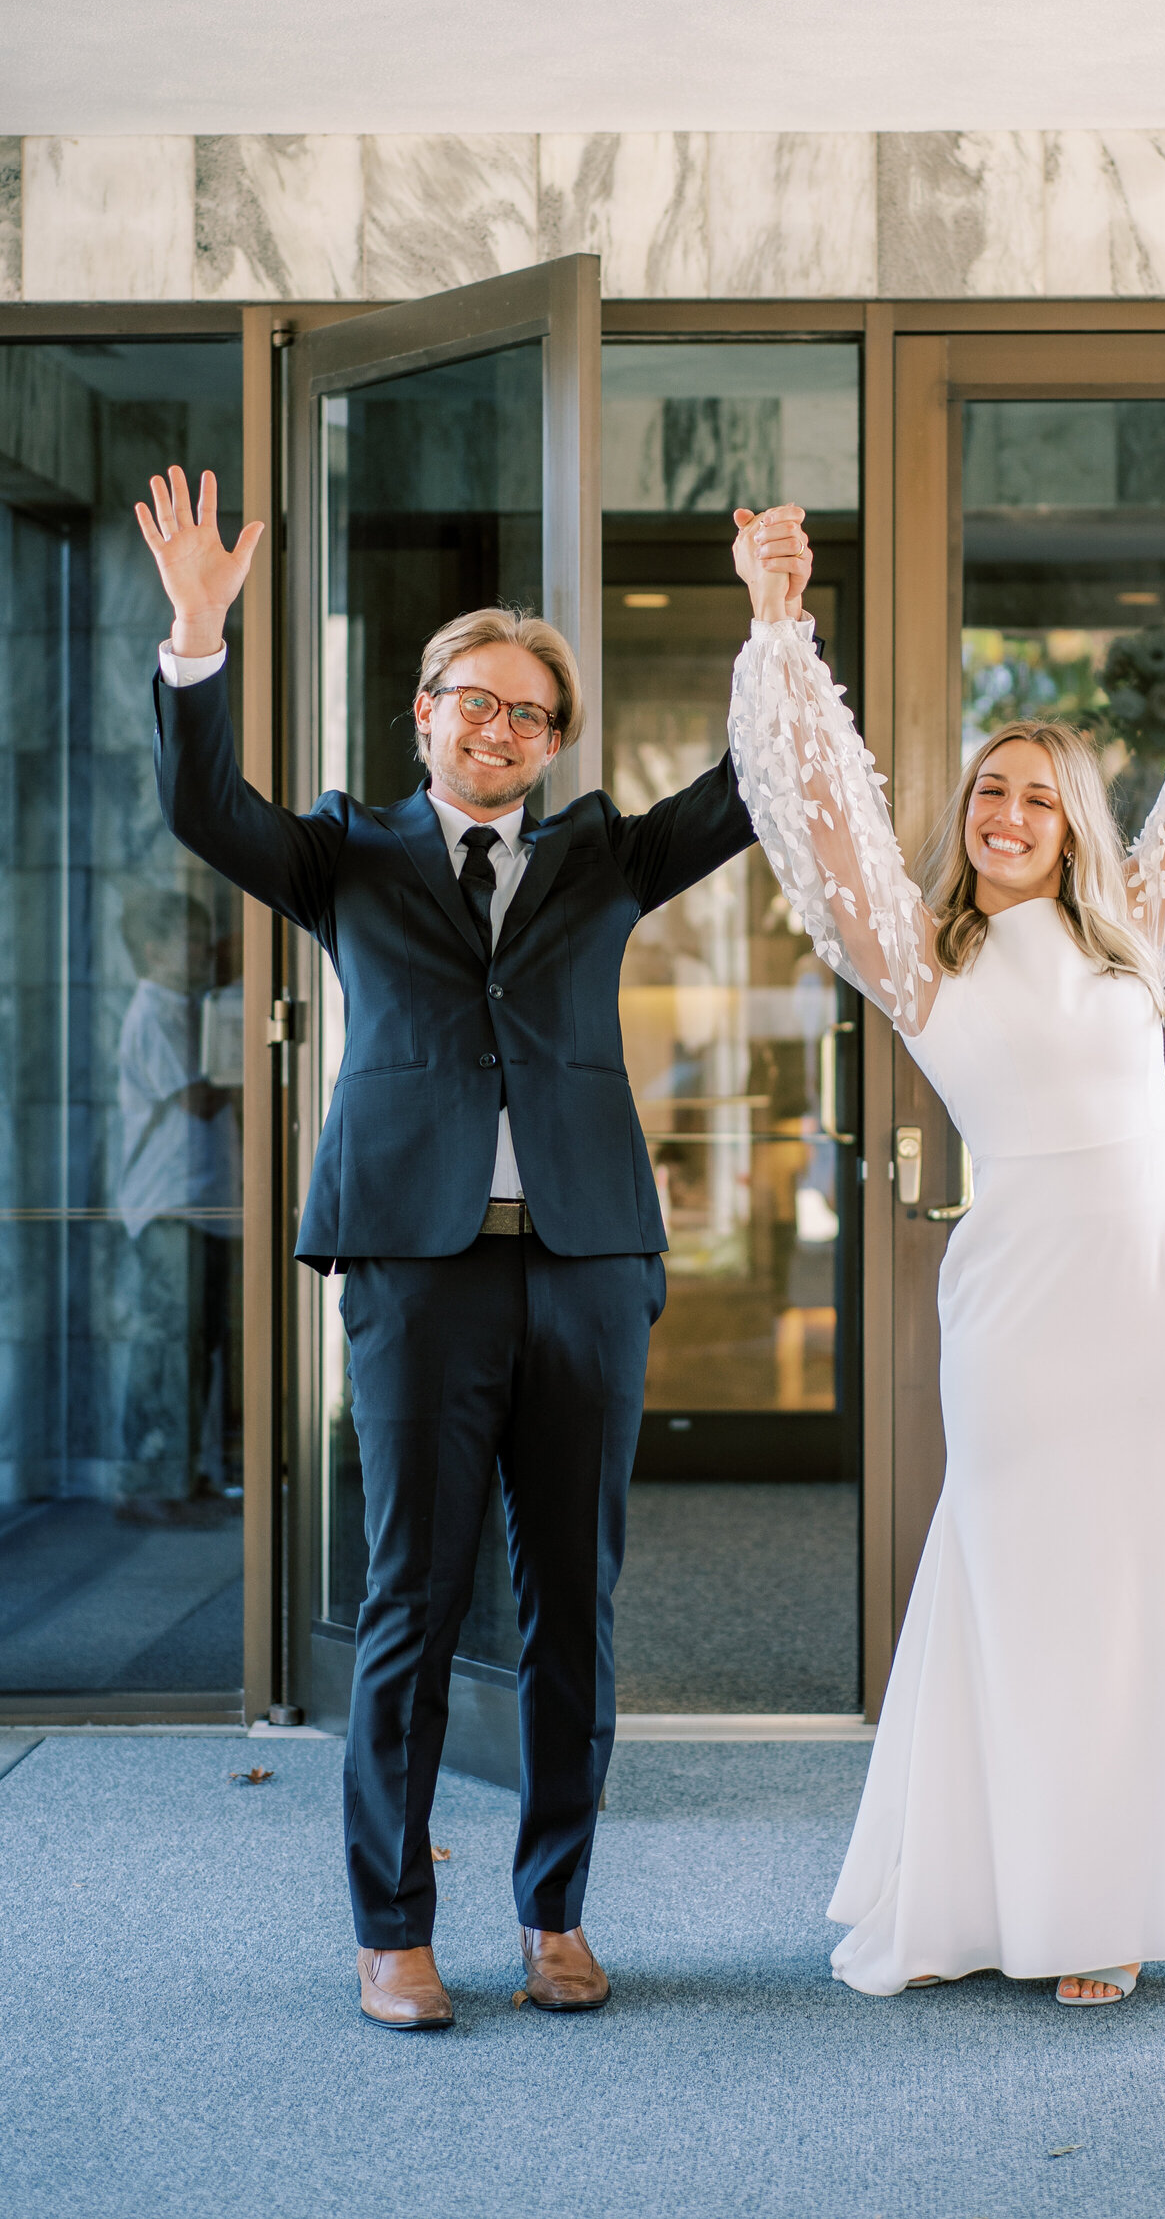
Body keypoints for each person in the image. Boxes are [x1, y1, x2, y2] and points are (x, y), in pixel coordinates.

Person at [135, 465, 806, 2028]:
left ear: (554, 741)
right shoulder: (341, 855)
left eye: (530, 714)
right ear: (421, 713)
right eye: (473, 702)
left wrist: (775, 624)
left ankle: (556, 1911)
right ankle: (394, 1927)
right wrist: (194, 636)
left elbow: (757, 789)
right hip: (418, 1269)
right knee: (413, 1597)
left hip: (585, 1263)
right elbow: (195, 804)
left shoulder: (604, 857)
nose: (498, 730)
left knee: (575, 1597)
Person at [727, 507, 1165, 2006]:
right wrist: (776, 623)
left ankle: (1120, 1898)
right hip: (1019, 1295)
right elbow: (821, 810)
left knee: (1154, 1570)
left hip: (1157, 1279)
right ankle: (992, 1886)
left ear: (1077, 823)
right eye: (987, 792)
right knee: (1019, 1569)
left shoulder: (1138, 927)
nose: (1004, 812)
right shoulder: (913, 949)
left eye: (1037, 797)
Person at [115, 888, 242, 1518]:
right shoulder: (155, 1011)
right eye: (190, 940)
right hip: (169, 1204)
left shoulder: (190, 1008)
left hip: (205, 1202)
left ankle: (183, 1473)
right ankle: (151, 1480)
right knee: (172, 1338)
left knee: (200, 1338)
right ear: (153, 950)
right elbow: (200, 1097)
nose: (203, 950)